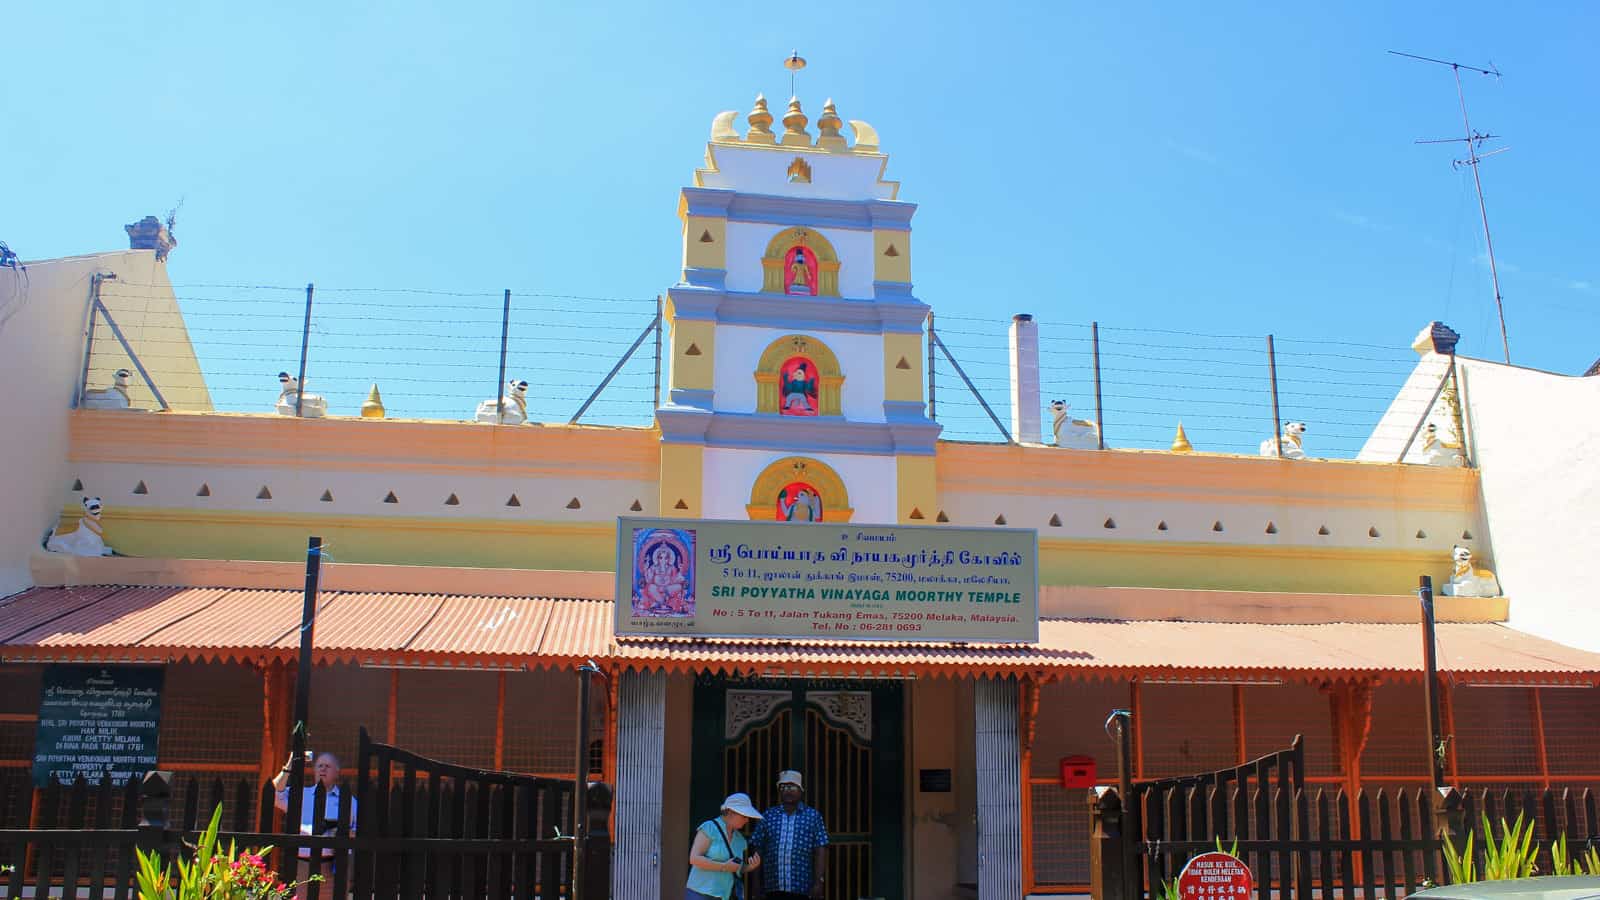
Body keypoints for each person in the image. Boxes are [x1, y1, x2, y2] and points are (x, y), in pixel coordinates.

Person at [272, 751, 357, 898]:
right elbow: (273, 794)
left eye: (328, 766)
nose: (323, 769)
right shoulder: (301, 795)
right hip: (303, 865)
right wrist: (289, 765)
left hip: (334, 866)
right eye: (320, 766)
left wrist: (342, 833)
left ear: (337, 773)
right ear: (314, 770)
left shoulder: (348, 801)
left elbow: (359, 831)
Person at [748, 770, 829, 900]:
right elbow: (758, 848)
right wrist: (756, 884)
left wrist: (819, 882)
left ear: (801, 790)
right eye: (783, 787)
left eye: (792, 786)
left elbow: (820, 849)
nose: (787, 790)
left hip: (802, 887)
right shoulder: (768, 815)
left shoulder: (813, 816)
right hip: (773, 887)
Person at [687, 792, 764, 900]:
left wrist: (749, 867)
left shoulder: (740, 840)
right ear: (731, 812)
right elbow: (694, 859)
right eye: (744, 816)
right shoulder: (709, 828)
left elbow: (735, 868)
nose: (747, 820)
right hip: (699, 893)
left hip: (723, 895)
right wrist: (723, 867)